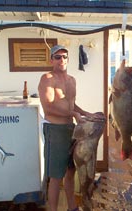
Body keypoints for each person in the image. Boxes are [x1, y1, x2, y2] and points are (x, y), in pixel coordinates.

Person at [38, 45, 95, 211]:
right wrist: (74, 114)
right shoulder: (47, 78)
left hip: (72, 129)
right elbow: (49, 107)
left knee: (71, 172)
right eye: (57, 57)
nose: (61, 60)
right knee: (56, 176)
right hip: (55, 130)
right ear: (51, 60)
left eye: (64, 56)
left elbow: (72, 104)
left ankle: (72, 208)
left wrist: (86, 114)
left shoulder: (72, 80)